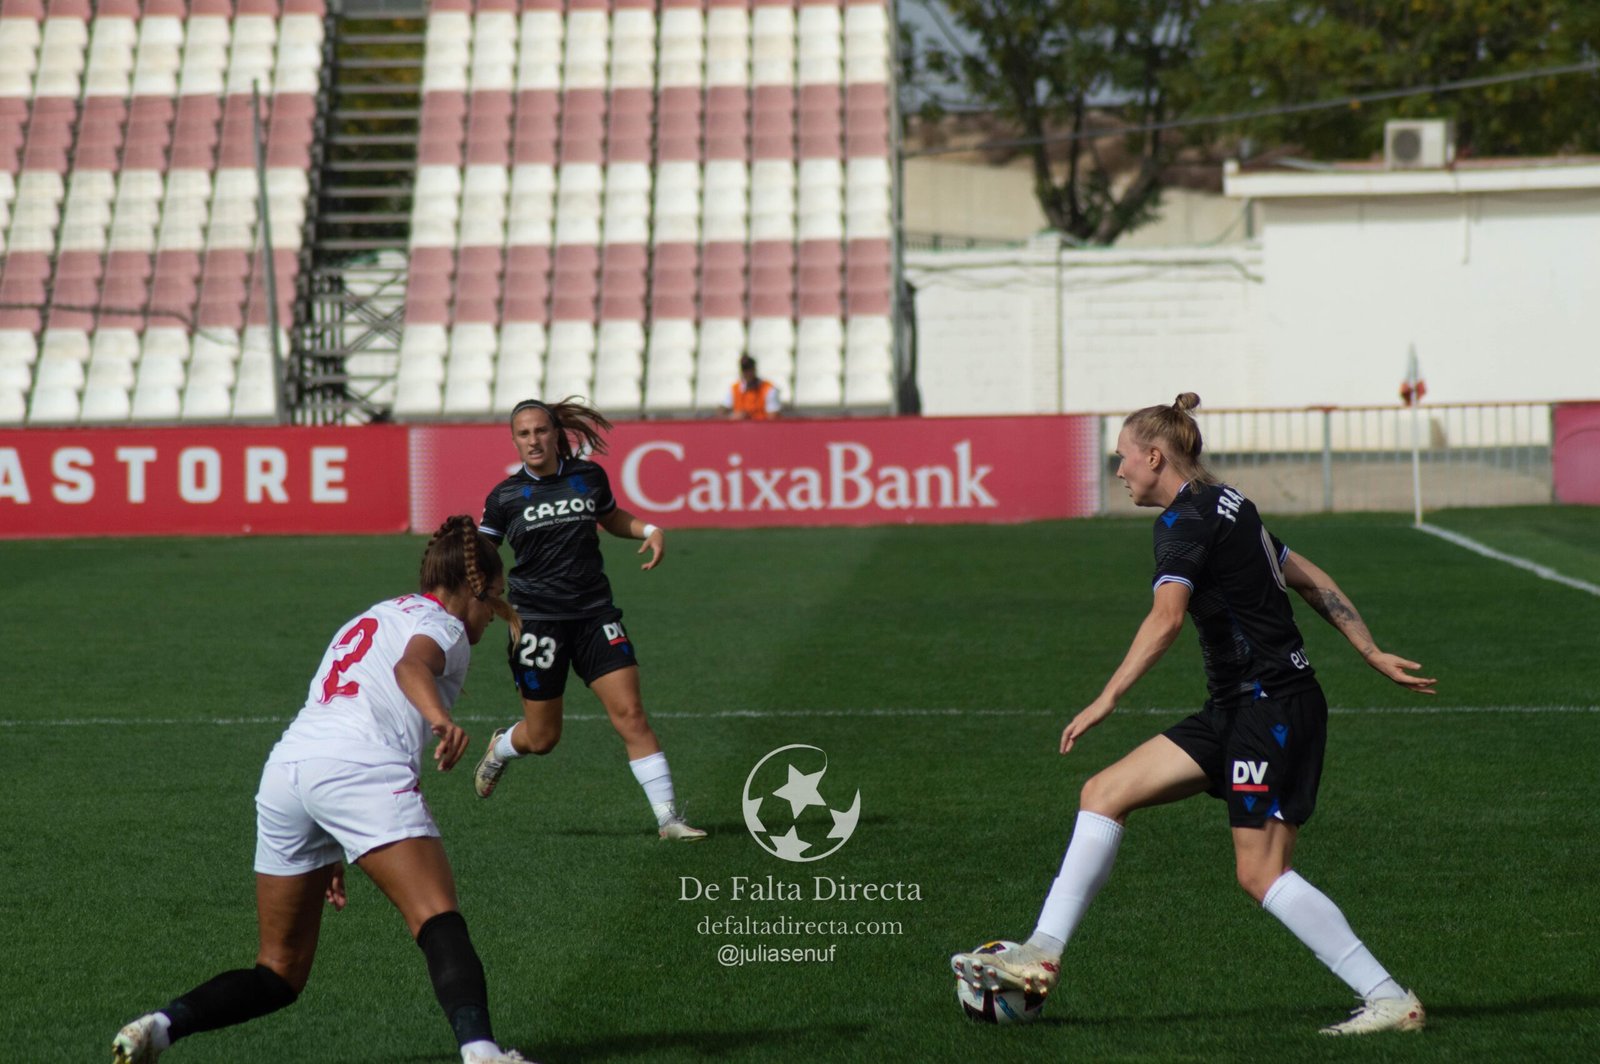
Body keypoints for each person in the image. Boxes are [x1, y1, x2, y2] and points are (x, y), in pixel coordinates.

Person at [951, 393, 1435, 1036]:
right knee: (1104, 792)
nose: (1117, 469)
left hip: (1271, 710)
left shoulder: (1183, 522)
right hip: (1237, 707)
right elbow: (1308, 575)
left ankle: (1388, 999)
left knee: (1261, 873)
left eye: (1122, 457)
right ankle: (1041, 953)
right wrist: (1366, 647)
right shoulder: (1232, 502)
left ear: (1154, 456)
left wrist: (1107, 697)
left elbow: (1167, 617)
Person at [112, 517, 529, 1064]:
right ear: (470, 590)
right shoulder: (444, 624)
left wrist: (328, 833)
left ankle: (159, 1028)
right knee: (436, 917)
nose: (492, 615)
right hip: (359, 770)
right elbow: (411, 666)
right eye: (492, 599)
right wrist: (440, 720)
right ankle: (482, 1055)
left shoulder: (374, 615)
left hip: (289, 773)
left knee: (279, 971)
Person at [470, 398, 705, 841]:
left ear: (556, 434)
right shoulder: (503, 497)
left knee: (631, 714)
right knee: (543, 738)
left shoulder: (587, 476)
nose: (534, 440)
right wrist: (488, 600)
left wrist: (650, 529)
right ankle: (501, 746)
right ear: (515, 441)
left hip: (595, 614)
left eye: (541, 431)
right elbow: (481, 555)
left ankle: (669, 820)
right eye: (524, 434)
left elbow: (610, 517)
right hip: (537, 624)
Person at [721, 354, 782, 420]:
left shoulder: (769, 388)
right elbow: (723, 412)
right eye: (745, 370)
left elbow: (773, 416)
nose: (747, 373)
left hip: (762, 427)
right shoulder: (734, 388)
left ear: (754, 369)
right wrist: (733, 416)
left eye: (749, 369)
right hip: (739, 428)